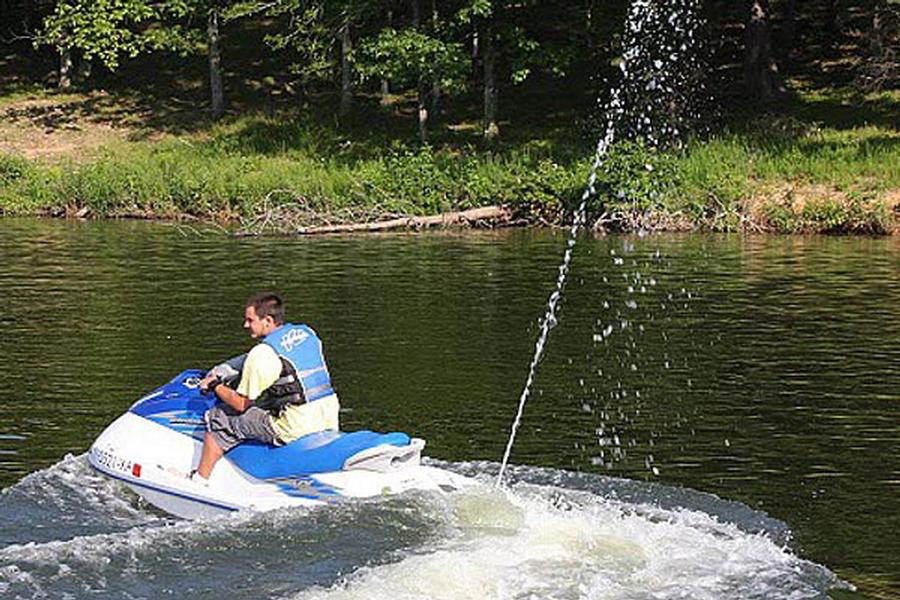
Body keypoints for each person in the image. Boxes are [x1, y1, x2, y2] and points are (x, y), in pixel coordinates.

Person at [193, 292, 340, 483]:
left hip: (294, 426)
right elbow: (262, 359)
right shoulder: (307, 333)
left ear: (267, 320)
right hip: (327, 415)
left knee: (220, 416)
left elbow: (240, 404)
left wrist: (215, 384)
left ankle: (200, 479)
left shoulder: (262, 354)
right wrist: (224, 369)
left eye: (250, 320)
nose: (245, 325)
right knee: (269, 403)